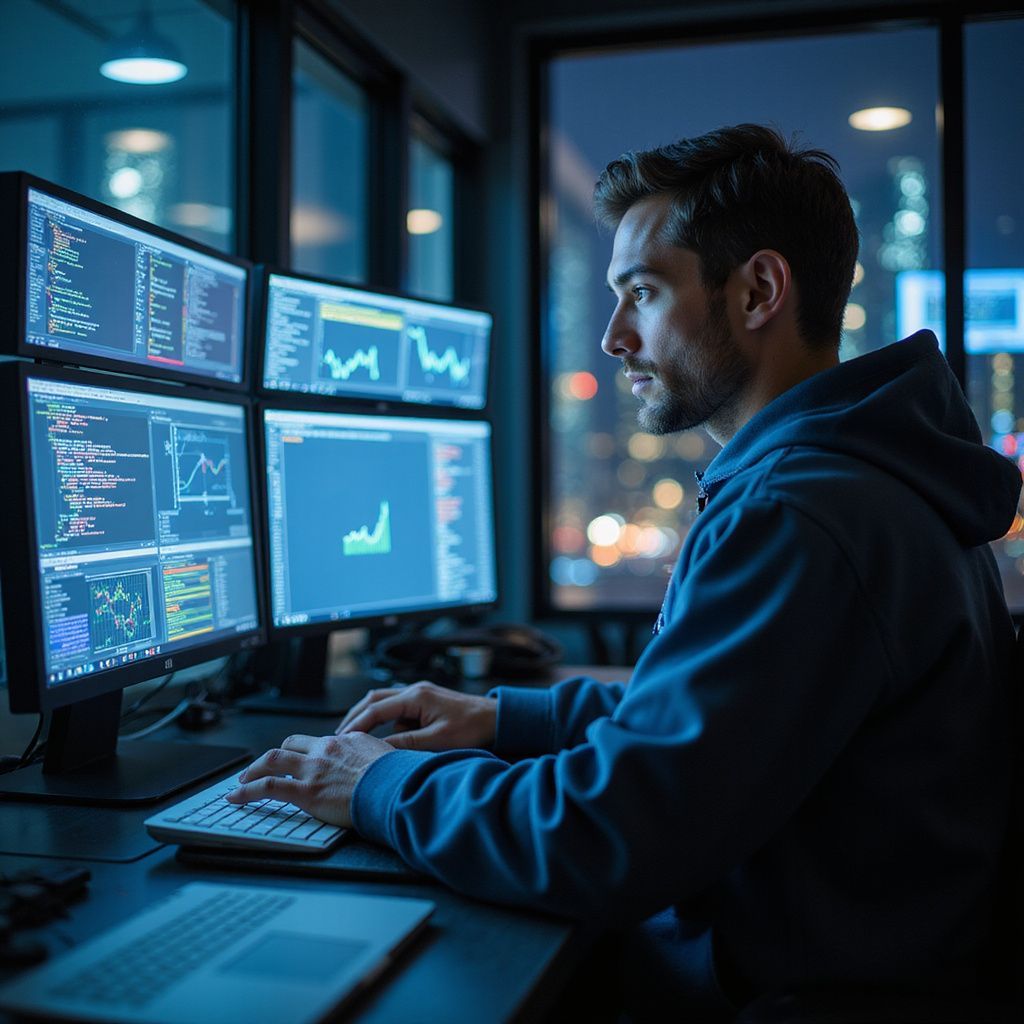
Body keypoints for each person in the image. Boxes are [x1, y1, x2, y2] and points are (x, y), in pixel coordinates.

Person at [227, 125, 1020, 1019]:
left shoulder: (799, 514)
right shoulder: (860, 479)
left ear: (758, 290)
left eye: (642, 292)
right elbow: (714, 724)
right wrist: (504, 718)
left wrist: (375, 784)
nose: (612, 337)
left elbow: (611, 836)